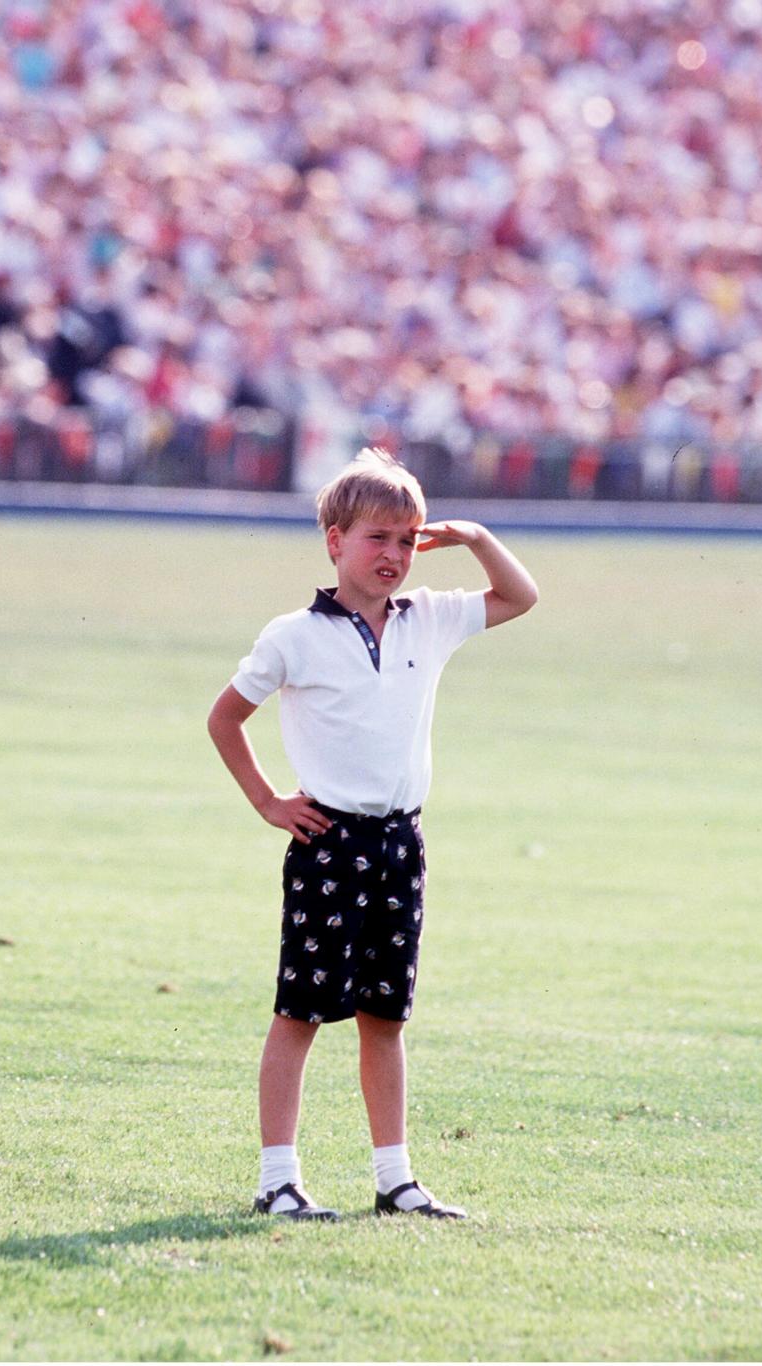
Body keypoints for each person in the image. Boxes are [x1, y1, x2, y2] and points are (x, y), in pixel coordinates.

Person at [207, 448, 539, 1221]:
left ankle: (395, 1179)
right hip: (330, 845)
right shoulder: (295, 634)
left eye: (406, 539)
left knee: (386, 1017)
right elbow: (225, 716)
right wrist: (267, 801)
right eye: (375, 538)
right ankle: (277, 1179)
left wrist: (474, 536)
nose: (392, 555)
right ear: (334, 540)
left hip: (400, 844)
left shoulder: (431, 616)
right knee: (300, 1013)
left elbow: (520, 597)